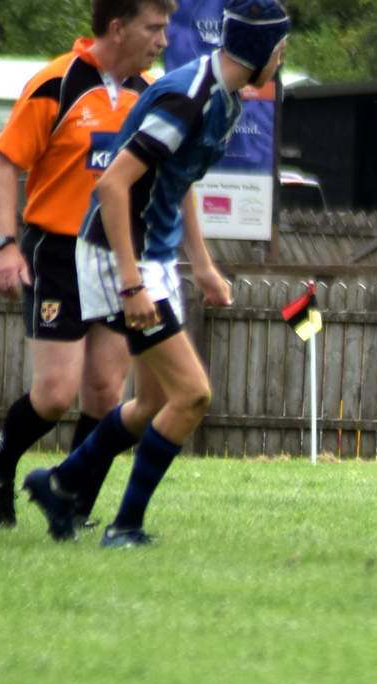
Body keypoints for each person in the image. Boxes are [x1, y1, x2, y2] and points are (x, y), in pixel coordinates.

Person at [22, 0, 290, 547]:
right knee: (192, 396)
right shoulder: (186, 99)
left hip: (156, 257)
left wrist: (203, 265)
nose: (282, 59)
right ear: (261, 49)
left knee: (151, 404)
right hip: (119, 257)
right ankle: (125, 526)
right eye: (280, 49)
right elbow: (112, 185)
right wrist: (131, 283)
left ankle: (61, 484)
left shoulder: (226, 100)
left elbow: (177, 178)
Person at [0, 0, 174, 530]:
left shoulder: (152, 94)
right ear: (118, 28)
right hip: (57, 254)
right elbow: (3, 169)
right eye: (154, 28)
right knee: (56, 395)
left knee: (106, 394)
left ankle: (72, 503)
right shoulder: (56, 84)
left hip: (115, 258)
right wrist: (4, 246)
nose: (163, 40)